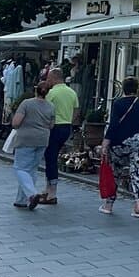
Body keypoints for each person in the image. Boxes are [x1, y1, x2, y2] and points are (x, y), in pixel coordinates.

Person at [99, 77, 139, 218]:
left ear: (123, 89)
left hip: (119, 143)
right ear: (137, 88)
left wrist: (105, 142)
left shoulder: (118, 104)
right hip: (137, 142)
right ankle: (138, 204)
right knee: (137, 172)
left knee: (115, 172)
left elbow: (113, 125)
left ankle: (109, 205)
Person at [11, 82, 54, 210]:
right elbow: (51, 125)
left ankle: (32, 194)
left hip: (26, 138)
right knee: (31, 170)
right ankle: (21, 200)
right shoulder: (51, 106)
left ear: (36, 90)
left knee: (20, 168)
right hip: (42, 139)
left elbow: (16, 123)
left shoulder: (26, 103)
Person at [40, 67, 78, 204]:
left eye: (49, 78)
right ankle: (47, 188)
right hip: (66, 127)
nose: (47, 80)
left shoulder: (52, 93)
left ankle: (52, 192)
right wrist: (69, 122)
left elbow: (45, 110)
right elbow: (76, 111)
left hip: (54, 127)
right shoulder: (72, 92)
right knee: (51, 156)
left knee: (50, 158)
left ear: (55, 78)